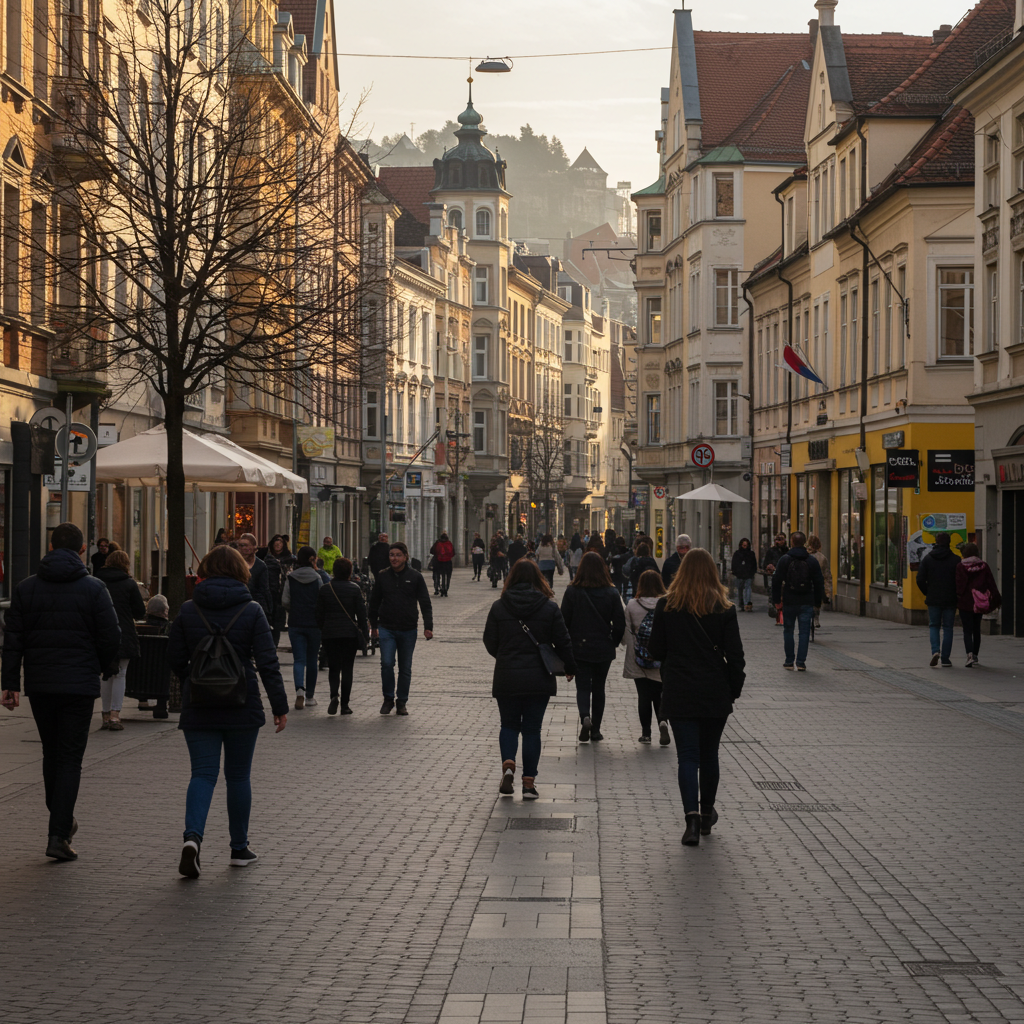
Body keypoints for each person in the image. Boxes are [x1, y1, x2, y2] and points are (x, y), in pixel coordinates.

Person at [1, 522, 121, 861]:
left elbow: (13, 640)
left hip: (41, 684)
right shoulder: (94, 588)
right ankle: (58, 833)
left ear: (51, 547)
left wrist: (9, 683)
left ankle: (61, 820)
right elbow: (111, 635)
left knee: (51, 753)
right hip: (79, 686)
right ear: (83, 550)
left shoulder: (26, 588)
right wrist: (102, 666)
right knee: (69, 758)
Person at [167, 544, 288, 878]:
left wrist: (193, 679)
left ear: (204, 571)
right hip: (241, 703)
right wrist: (279, 706)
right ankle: (238, 848)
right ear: (241, 571)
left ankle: (192, 838)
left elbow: (174, 656)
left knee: (202, 774)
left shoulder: (188, 610)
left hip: (199, 705)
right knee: (238, 776)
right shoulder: (252, 610)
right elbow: (268, 662)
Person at [648, 547, 745, 846]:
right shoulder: (724, 608)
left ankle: (690, 820)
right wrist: (733, 690)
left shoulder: (666, 606)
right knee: (709, 755)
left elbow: (655, 650)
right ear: (712, 573)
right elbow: (736, 657)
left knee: (687, 757)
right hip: (714, 691)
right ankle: (705, 816)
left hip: (679, 690)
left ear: (681, 572)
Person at [483, 559, 577, 799]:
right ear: (538, 579)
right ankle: (528, 784)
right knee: (532, 729)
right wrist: (569, 667)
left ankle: (508, 763)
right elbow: (564, 641)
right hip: (539, 678)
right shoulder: (549, 608)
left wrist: (504, 656)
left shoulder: (499, 607)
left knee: (509, 725)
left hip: (507, 676)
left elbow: (489, 641)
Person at [561, 552, 626, 743]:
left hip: (579, 647)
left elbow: (563, 622)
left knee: (582, 687)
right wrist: (612, 642)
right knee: (599, 688)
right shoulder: (612, 593)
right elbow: (620, 624)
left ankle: (585, 717)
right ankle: (596, 730)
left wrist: (566, 648)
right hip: (603, 648)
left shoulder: (572, 592)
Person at [368, 541, 433, 715]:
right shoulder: (383, 576)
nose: (394, 558)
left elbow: (425, 602)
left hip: (408, 629)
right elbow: (374, 601)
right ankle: (388, 699)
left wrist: (428, 626)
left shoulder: (415, 576)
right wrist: (373, 624)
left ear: (405, 557)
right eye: (391, 555)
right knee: (387, 663)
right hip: (387, 627)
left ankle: (402, 701)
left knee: (405, 667)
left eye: (398, 555)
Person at [96, 548, 147, 730]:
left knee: (105, 674)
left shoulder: (97, 581)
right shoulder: (129, 584)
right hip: (123, 631)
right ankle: (115, 715)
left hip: (101, 632)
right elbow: (140, 611)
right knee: (121, 673)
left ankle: (104, 714)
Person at [623, 569, 670, 746]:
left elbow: (626, 632)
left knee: (643, 695)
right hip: (660, 657)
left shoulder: (632, 605)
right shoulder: (667, 603)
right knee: (659, 694)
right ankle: (663, 721)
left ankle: (646, 733)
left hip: (639, 657)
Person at [315, 557, 368, 715]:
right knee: (347, 669)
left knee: (333, 667)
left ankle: (334, 695)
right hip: (349, 634)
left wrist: (323, 629)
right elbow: (361, 614)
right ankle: (345, 705)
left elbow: (319, 614)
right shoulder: (354, 589)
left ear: (334, 571)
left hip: (330, 634)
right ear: (350, 572)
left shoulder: (325, 589)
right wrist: (365, 634)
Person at [771, 531, 825, 671]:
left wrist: (776, 600)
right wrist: (817, 602)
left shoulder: (785, 560)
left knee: (788, 630)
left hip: (789, 600)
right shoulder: (811, 561)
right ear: (804, 543)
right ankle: (801, 663)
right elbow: (819, 582)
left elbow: (776, 581)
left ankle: (789, 661)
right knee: (804, 632)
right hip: (807, 601)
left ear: (792, 542)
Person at [282, 546, 328, 708]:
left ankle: (299, 691)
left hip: (296, 622)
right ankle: (310, 697)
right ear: (313, 559)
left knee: (299, 659)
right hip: (314, 624)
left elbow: (285, 601)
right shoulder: (317, 578)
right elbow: (322, 601)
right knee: (312, 659)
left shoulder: (291, 578)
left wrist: (293, 610)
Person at [916, 532, 961, 668]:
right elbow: (961, 580)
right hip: (950, 599)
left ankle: (935, 651)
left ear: (936, 542)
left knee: (934, 625)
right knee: (948, 628)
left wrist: (927, 592)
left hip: (933, 598)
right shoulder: (956, 560)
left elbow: (920, 579)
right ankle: (946, 658)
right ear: (949, 543)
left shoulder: (928, 559)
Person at [955, 542, 1001, 668]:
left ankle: (969, 654)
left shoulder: (961, 566)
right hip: (979, 601)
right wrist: (996, 599)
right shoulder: (983, 566)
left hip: (965, 602)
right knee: (976, 629)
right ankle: (975, 655)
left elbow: (959, 585)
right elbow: (991, 583)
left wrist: (957, 597)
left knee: (967, 630)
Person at [236, 533, 272, 619]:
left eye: (246, 545)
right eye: (241, 545)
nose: (243, 548)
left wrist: (268, 610)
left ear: (254, 547)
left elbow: (264, 590)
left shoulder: (261, 566)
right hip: (237, 605)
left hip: (255, 607)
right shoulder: (234, 564)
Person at [264, 535, 289, 646]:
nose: (278, 545)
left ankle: (274, 644)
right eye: (276, 543)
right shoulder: (267, 560)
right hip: (270, 594)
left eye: (280, 543)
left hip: (281, 594)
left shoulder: (289, 559)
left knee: (277, 625)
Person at [806, 535, 832, 627]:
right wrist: (828, 592)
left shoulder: (803, 555)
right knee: (817, 601)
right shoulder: (822, 558)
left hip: (805, 584)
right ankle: (816, 617)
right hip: (818, 584)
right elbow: (827, 576)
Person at [730, 538, 757, 612]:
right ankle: (741, 604)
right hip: (739, 575)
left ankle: (747, 604)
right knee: (740, 590)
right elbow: (734, 563)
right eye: (743, 545)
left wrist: (753, 572)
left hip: (748, 575)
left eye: (746, 545)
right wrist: (735, 572)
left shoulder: (751, 554)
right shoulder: (737, 553)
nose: (745, 547)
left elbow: (754, 564)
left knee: (747, 588)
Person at [432, 533, 455, 597]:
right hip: (448, 563)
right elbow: (453, 553)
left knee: (437, 575)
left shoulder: (437, 543)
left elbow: (432, 551)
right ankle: (445, 589)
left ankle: (437, 588)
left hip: (438, 562)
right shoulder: (449, 543)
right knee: (447, 576)